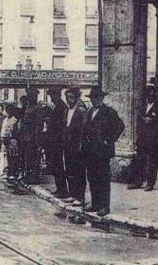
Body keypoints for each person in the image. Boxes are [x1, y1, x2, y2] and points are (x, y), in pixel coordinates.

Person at [84, 87, 125, 217]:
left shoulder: (109, 112)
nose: (94, 100)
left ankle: (104, 206)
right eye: (92, 98)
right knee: (92, 178)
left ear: (102, 98)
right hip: (90, 151)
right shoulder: (90, 111)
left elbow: (120, 126)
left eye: (96, 98)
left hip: (102, 151)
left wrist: (109, 140)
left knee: (103, 178)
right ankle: (95, 203)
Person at [128, 86, 158, 191]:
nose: (151, 95)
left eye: (153, 93)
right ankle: (138, 182)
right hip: (143, 139)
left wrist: (153, 121)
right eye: (149, 93)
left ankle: (150, 183)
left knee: (152, 162)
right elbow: (138, 122)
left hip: (154, 140)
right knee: (139, 161)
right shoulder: (143, 106)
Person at [62, 87, 87, 207]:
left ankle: (80, 197)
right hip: (68, 144)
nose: (69, 100)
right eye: (67, 98)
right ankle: (72, 194)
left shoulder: (81, 110)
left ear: (77, 98)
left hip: (77, 144)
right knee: (69, 169)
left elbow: (84, 129)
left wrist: (82, 144)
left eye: (72, 97)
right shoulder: (67, 111)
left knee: (79, 171)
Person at [44, 87, 69, 199]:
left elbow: (61, 125)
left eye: (53, 95)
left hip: (57, 141)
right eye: (50, 95)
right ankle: (59, 188)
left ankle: (63, 190)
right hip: (53, 141)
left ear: (58, 95)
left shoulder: (61, 106)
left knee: (58, 165)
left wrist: (50, 122)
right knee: (55, 165)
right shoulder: (57, 106)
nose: (52, 97)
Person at [18, 87, 44, 184]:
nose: (30, 97)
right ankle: (28, 175)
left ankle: (34, 177)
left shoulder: (38, 108)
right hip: (25, 136)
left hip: (32, 137)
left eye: (32, 96)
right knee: (27, 158)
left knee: (33, 158)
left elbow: (39, 124)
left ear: (36, 96)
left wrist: (37, 139)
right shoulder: (28, 107)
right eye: (29, 95)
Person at [1, 104, 20, 180]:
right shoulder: (5, 119)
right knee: (7, 156)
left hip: (12, 140)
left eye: (9, 110)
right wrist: (2, 137)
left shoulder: (14, 119)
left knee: (13, 156)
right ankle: (8, 171)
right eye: (7, 110)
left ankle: (13, 172)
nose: (7, 112)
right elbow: (3, 129)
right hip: (5, 140)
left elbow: (15, 130)